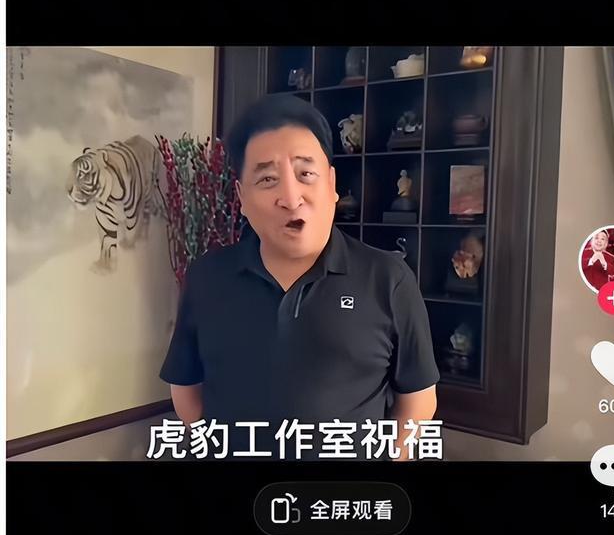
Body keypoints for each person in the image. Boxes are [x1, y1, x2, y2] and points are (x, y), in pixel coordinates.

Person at [159, 94, 439, 460]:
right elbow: (187, 391)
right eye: (267, 179)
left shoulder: (388, 279)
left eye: (306, 174)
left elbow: (418, 404)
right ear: (242, 197)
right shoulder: (207, 278)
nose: (291, 198)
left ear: (332, 184)